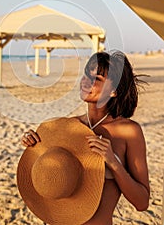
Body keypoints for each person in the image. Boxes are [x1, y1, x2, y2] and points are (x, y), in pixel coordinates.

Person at [21, 51, 150, 225]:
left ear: (114, 91)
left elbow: (142, 203)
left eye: (96, 78)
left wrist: (113, 162)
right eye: (86, 75)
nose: (86, 81)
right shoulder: (66, 128)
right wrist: (34, 147)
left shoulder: (128, 132)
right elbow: (48, 185)